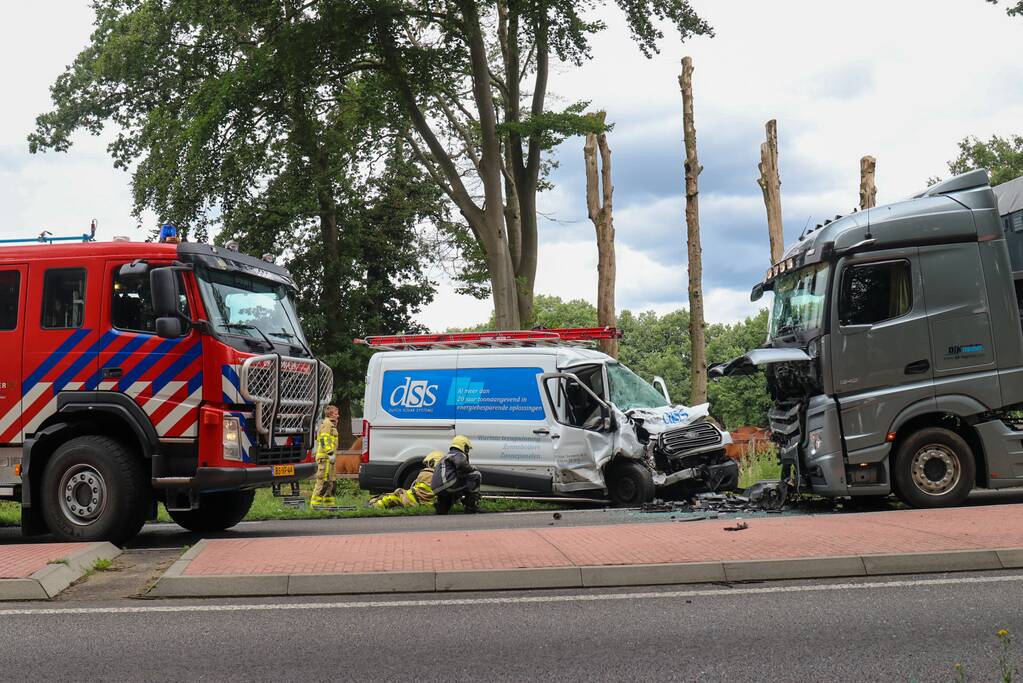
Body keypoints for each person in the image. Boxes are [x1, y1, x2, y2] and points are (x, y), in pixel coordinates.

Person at [367, 451, 441, 509]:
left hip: (414, 500)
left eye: (429, 463)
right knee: (395, 495)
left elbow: (418, 492)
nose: (427, 466)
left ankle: (374, 506)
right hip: (424, 502)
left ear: (433, 462)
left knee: (392, 497)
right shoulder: (442, 476)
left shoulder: (426, 473)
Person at [431, 435, 482, 515]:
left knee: (445, 504)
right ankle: (471, 506)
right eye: (467, 448)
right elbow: (461, 464)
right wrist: (472, 468)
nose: (467, 451)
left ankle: (442, 507)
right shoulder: (458, 454)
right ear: (463, 446)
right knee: (476, 475)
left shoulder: (445, 456)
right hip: (448, 484)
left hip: (436, 488)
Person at [310, 405, 339, 509]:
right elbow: (323, 440)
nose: (338, 416)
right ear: (330, 414)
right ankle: (315, 506)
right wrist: (330, 453)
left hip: (330, 458)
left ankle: (329, 506)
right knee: (322, 482)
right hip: (325, 458)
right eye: (336, 414)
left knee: (331, 483)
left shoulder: (331, 424)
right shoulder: (327, 424)